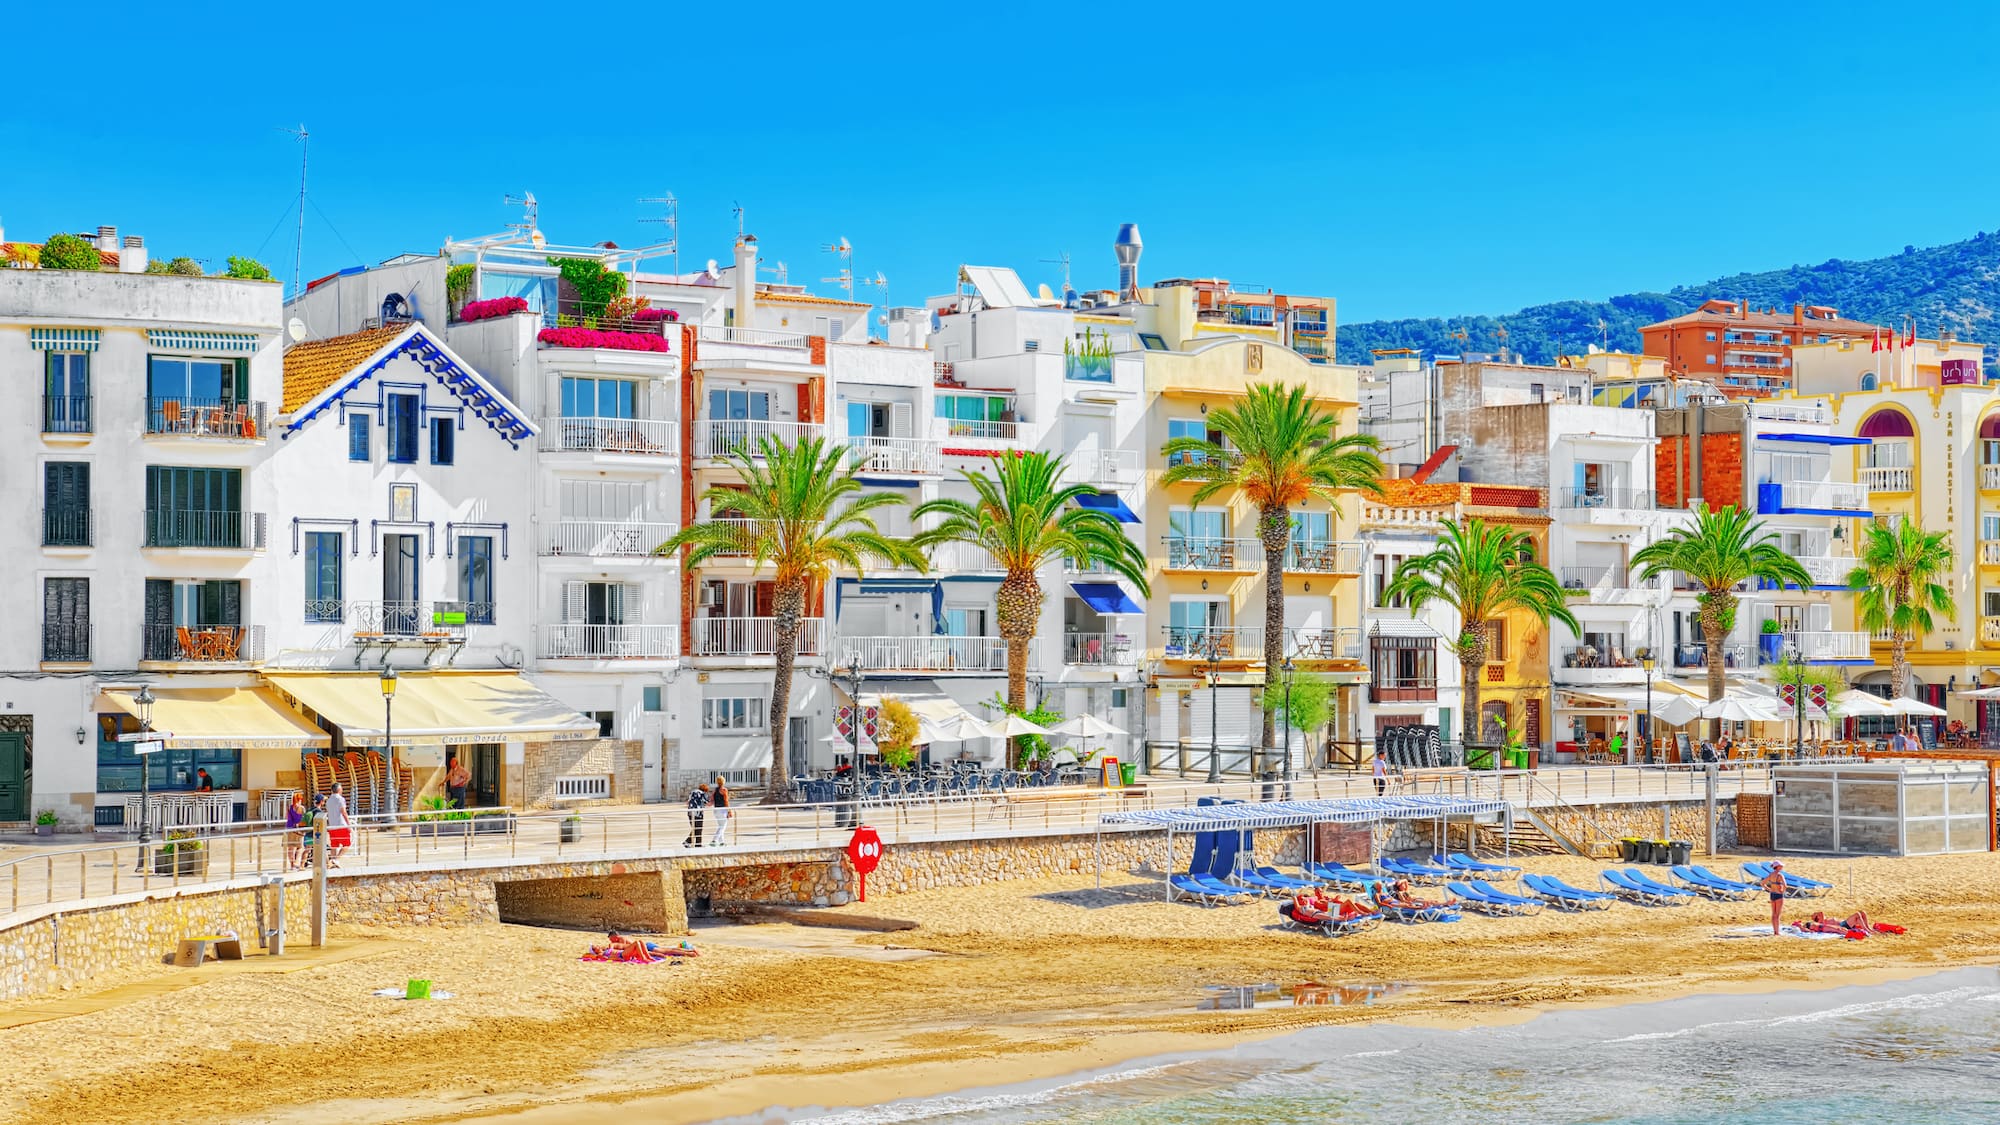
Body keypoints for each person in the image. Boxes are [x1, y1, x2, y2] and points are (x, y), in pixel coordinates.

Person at [1757, 860, 1789, 935]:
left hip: (1772, 894)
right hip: (1778, 895)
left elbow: (1762, 883)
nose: (1782, 867)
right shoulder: (1780, 875)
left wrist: (1769, 889)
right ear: (1777, 867)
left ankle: (1775, 930)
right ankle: (1777, 932)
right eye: (1781, 866)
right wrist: (1783, 891)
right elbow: (1785, 885)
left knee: (1773, 914)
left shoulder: (1771, 874)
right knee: (1777, 915)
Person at [324, 782, 351, 867]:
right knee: (347, 844)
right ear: (339, 789)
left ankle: (332, 861)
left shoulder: (328, 801)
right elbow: (344, 812)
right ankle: (336, 859)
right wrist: (348, 824)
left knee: (334, 845)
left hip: (332, 826)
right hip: (341, 824)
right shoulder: (340, 799)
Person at [284, 792, 307, 870]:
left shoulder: (290, 807)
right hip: (298, 829)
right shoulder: (301, 808)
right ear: (300, 799)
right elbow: (304, 819)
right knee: (300, 847)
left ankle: (292, 865)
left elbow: (286, 817)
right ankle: (297, 862)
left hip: (290, 828)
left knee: (290, 848)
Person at [682, 782, 710, 847]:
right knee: (699, 829)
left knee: (695, 828)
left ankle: (691, 843)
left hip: (690, 813)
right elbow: (707, 802)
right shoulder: (703, 794)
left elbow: (687, 802)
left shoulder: (693, 792)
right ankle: (695, 844)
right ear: (705, 790)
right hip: (698, 813)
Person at [709, 776, 732, 845]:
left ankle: (722, 842)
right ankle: (714, 840)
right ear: (723, 782)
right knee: (723, 826)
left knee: (720, 825)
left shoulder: (714, 790)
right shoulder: (724, 790)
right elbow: (726, 801)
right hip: (722, 810)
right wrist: (729, 811)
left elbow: (711, 801)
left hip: (716, 810)